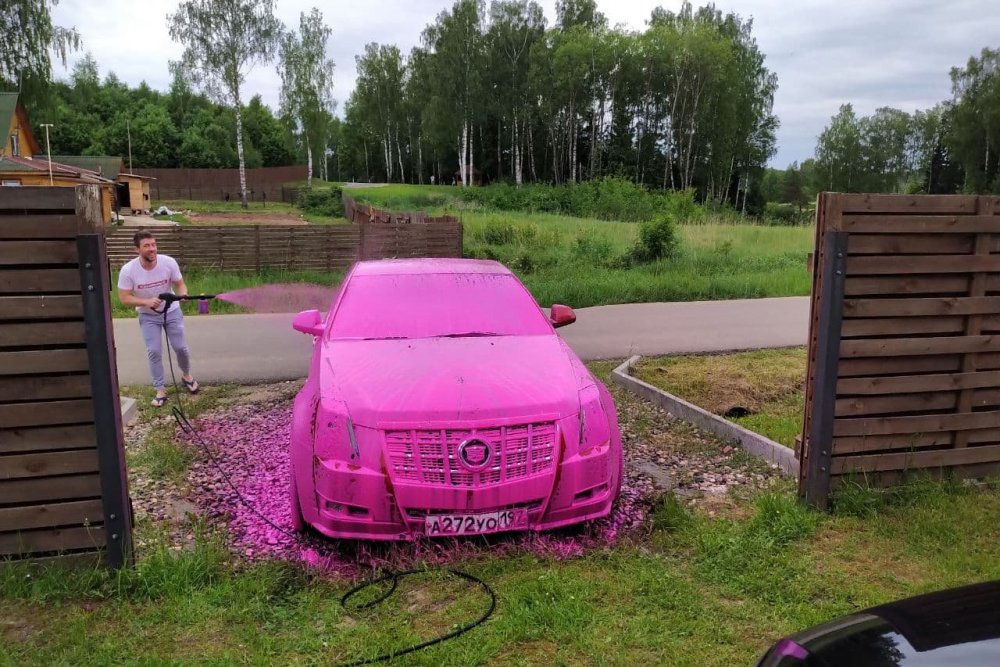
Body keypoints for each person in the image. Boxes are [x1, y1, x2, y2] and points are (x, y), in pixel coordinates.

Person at [117, 230, 199, 407]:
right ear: (136, 249)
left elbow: (179, 283)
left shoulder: (168, 262)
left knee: (180, 347)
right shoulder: (128, 270)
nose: (152, 249)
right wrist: (146, 302)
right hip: (148, 316)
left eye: (153, 244)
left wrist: (183, 294)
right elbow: (124, 298)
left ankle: (187, 376)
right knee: (154, 351)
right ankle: (160, 389)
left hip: (172, 311)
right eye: (146, 245)